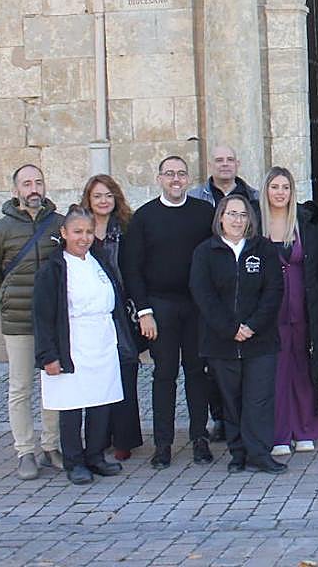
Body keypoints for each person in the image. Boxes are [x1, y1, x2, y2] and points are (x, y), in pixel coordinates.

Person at [121, 155, 217, 469]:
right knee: (164, 375)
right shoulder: (144, 217)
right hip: (159, 306)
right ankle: (163, 444)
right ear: (160, 178)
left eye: (181, 174)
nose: (175, 179)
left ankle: (200, 438)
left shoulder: (204, 213)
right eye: (169, 174)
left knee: (197, 374)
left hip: (196, 306)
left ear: (188, 179)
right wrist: (144, 312)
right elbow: (132, 269)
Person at [32, 205, 133, 485]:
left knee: (101, 403)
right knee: (72, 406)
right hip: (71, 342)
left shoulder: (98, 261)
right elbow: (42, 316)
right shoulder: (53, 269)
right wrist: (48, 355)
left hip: (101, 340)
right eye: (78, 232)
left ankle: (95, 456)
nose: (84, 238)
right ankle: (74, 461)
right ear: (64, 233)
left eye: (89, 232)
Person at [189, 194, 285, 473]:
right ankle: (238, 453)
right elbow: (203, 295)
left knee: (260, 398)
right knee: (231, 401)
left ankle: (260, 453)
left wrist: (252, 325)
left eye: (242, 215)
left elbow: (273, 291)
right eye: (231, 214)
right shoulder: (205, 252)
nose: (237, 220)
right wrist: (230, 328)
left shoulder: (263, 249)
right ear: (220, 217)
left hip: (261, 339)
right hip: (221, 341)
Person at [0, 164, 64, 480]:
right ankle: (24, 450)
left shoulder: (58, 225)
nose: (34, 189)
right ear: (16, 190)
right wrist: (9, 297)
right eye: (27, 183)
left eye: (38, 182)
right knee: (20, 387)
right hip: (18, 319)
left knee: (53, 383)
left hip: (53, 320)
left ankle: (51, 446)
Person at [187, 144, 260, 442]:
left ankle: (247, 429)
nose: (225, 164)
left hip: (245, 290)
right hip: (212, 294)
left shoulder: (254, 198)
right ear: (210, 164)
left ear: (238, 163)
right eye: (219, 160)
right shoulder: (197, 199)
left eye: (230, 159)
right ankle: (220, 419)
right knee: (213, 368)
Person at [262, 167, 318, 457]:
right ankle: (279, 433)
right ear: (266, 191)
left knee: (305, 370)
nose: (280, 193)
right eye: (275, 187)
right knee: (275, 373)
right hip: (270, 314)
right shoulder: (256, 226)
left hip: (305, 309)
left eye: (285, 187)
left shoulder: (305, 225)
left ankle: (305, 428)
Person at [81, 174, 142, 461]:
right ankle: (98, 436)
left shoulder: (128, 229)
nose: (103, 201)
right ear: (88, 201)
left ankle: (125, 439)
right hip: (91, 313)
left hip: (123, 311)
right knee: (96, 374)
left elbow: (137, 268)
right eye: (97, 196)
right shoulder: (81, 230)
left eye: (108, 195)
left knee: (126, 371)